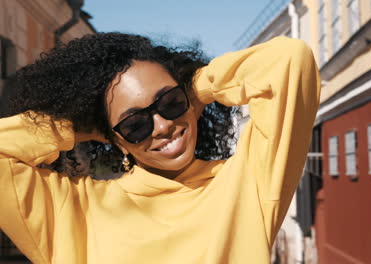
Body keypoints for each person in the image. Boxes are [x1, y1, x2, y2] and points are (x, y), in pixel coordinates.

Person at [0, 33, 320, 263]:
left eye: (170, 102)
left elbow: (290, 60)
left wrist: (197, 88)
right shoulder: (71, 212)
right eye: (135, 125)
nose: (163, 126)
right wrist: (83, 125)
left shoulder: (248, 183)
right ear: (114, 139)